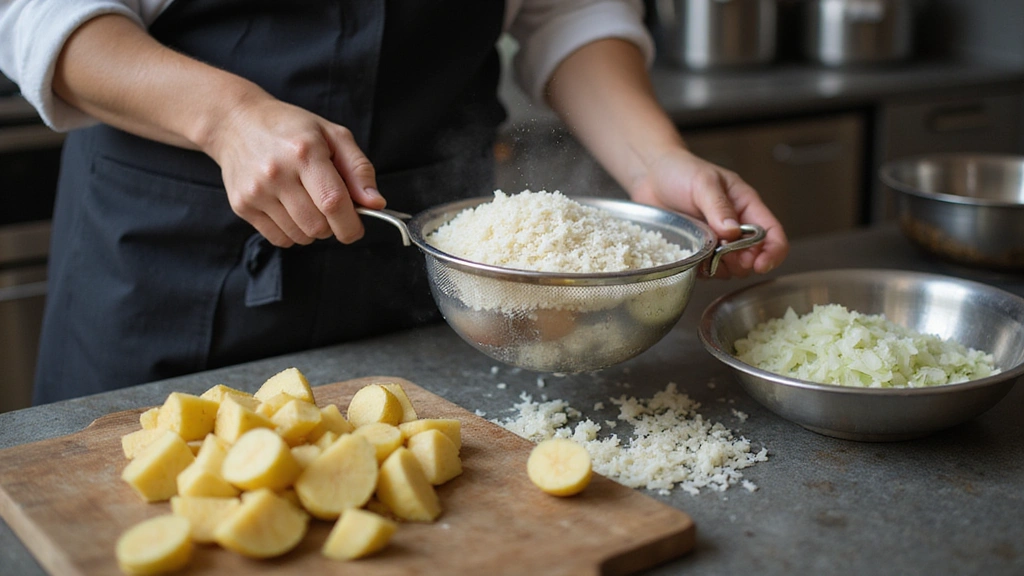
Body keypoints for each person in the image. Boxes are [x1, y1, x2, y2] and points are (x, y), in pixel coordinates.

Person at [0, 0, 788, 404]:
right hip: (170, 257)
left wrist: (655, 161)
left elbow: (568, 9)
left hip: (437, 276)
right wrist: (226, 117)